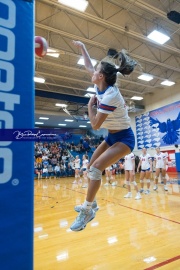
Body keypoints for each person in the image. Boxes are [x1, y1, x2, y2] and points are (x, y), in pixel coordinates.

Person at [70, 40, 137, 231]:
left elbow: (95, 124)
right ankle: (93, 204)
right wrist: (83, 48)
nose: (92, 72)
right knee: (90, 167)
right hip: (112, 137)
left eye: (96, 71)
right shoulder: (101, 83)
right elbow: (88, 65)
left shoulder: (110, 96)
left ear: (100, 76)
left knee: (97, 168)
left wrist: (91, 106)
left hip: (124, 138)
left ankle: (87, 211)